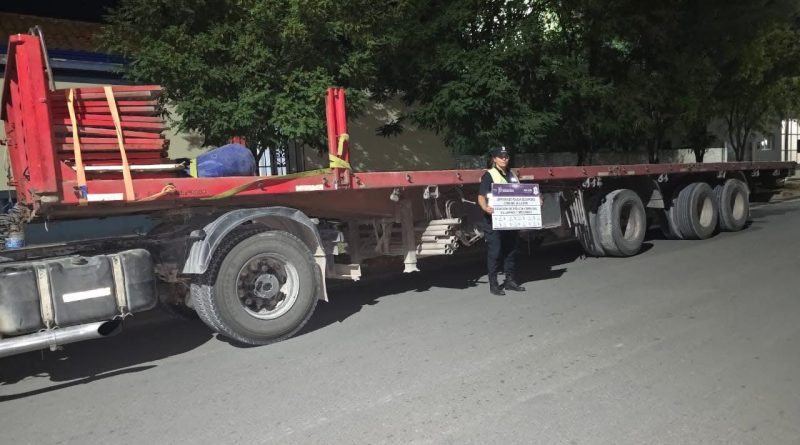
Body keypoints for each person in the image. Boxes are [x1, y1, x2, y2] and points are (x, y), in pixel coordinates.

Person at [477, 146, 526, 296]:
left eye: (506, 156)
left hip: (510, 220)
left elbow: (521, 193)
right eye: (501, 156)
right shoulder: (489, 175)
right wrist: (485, 207)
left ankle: (510, 281)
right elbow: (481, 196)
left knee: (510, 251)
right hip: (493, 221)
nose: (504, 159)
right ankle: (494, 284)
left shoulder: (512, 174)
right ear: (494, 159)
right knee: (495, 252)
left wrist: (536, 200)